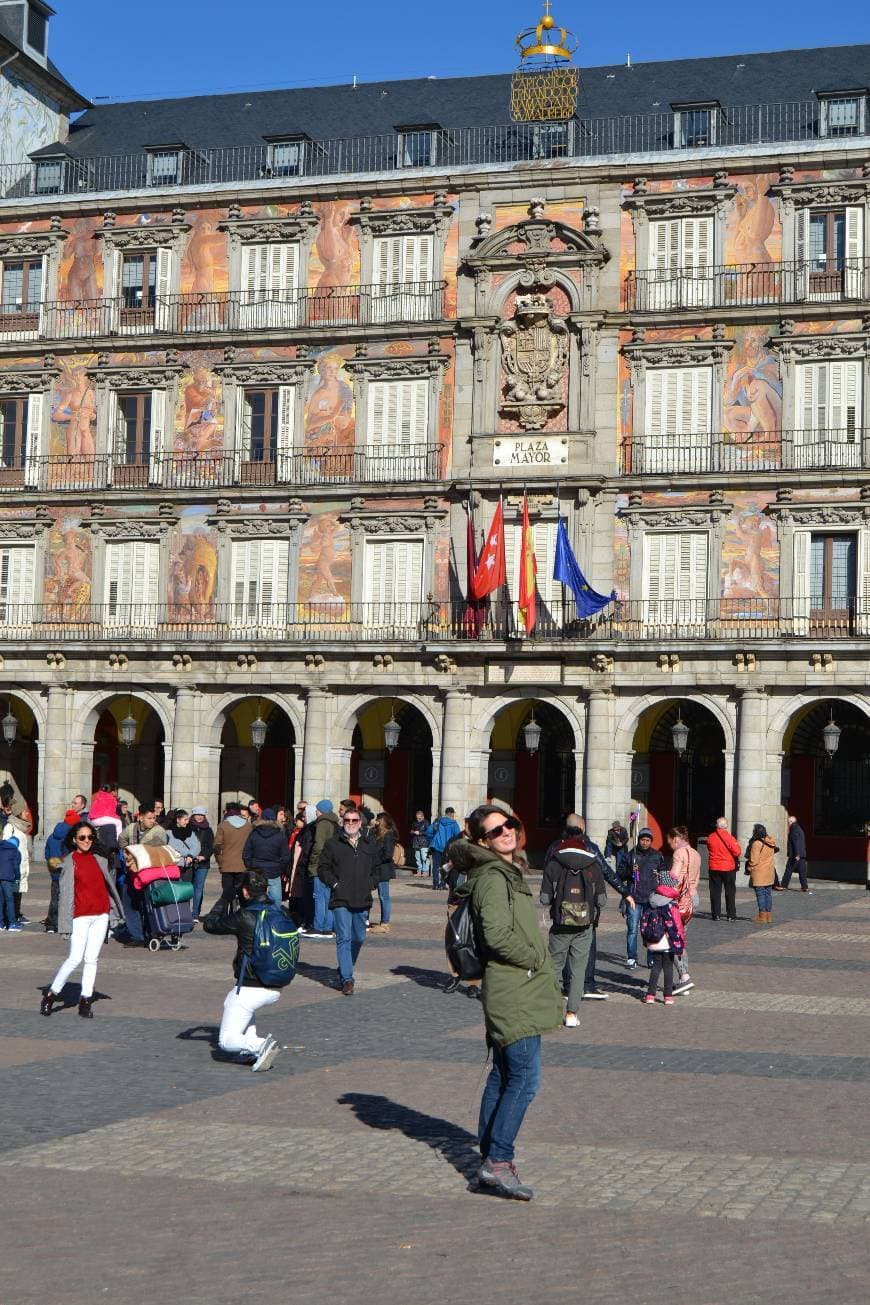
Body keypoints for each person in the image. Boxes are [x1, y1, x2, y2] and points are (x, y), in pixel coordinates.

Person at [449, 806, 561, 1201]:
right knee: (525, 1081)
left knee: (503, 1074)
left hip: (515, 985)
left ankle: (488, 1159)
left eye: (509, 824)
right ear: (482, 842)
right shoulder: (494, 879)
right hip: (515, 988)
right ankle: (499, 1161)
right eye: (496, 831)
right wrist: (534, 958)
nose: (507, 832)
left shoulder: (503, 874)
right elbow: (496, 935)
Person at [40, 821, 124, 1018]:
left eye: (90, 837)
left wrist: (112, 913)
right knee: (75, 958)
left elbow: (109, 888)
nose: (87, 841)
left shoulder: (100, 859)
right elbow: (66, 896)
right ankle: (51, 994)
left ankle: (85, 1000)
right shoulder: (69, 862)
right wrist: (64, 923)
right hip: (80, 916)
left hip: (100, 914)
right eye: (82, 838)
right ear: (74, 840)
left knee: (92, 959)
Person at [202, 870, 284, 1071]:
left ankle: (261, 1045)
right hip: (276, 982)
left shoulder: (245, 915)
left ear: (246, 892)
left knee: (227, 1040)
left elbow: (210, 925)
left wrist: (225, 897)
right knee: (245, 1009)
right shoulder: (280, 911)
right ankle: (251, 1050)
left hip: (250, 985)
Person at [540, 829, 614, 1027]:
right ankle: (571, 1014)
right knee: (578, 970)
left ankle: (553, 1013)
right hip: (584, 925)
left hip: (560, 924)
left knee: (555, 967)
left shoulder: (554, 863)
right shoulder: (593, 864)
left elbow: (544, 898)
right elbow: (602, 900)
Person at [318, 804, 380, 994]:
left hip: (362, 898)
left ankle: (345, 966)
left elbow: (379, 868)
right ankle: (347, 979)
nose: (350, 823)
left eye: (354, 820)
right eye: (347, 820)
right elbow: (323, 868)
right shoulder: (333, 843)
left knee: (359, 937)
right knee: (343, 938)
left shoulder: (369, 844)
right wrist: (335, 884)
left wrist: (371, 883)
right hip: (341, 898)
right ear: (342, 822)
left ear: (360, 823)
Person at [118, 803, 168, 945]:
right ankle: (136, 936)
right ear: (140, 817)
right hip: (132, 873)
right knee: (129, 903)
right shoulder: (131, 828)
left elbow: (155, 847)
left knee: (148, 905)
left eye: (154, 818)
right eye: (150, 818)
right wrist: (126, 852)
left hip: (150, 874)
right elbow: (121, 839)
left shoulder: (159, 831)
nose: (153, 821)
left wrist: (136, 852)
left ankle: (151, 933)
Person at [619, 826, 664, 968]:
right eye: (642, 840)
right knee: (632, 929)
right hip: (634, 897)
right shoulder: (630, 855)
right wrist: (629, 871)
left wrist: (660, 875)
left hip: (651, 898)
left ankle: (651, 957)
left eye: (647, 840)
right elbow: (619, 874)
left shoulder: (657, 856)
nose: (644, 843)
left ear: (651, 841)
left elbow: (664, 875)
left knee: (650, 929)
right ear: (638, 840)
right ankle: (632, 957)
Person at [642, 870, 685, 1006]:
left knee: (656, 967)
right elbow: (677, 925)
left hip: (655, 940)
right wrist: (681, 943)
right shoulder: (671, 903)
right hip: (668, 940)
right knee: (668, 967)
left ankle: (650, 995)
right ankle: (668, 996)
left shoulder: (653, 899)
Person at [667, 826, 700, 995]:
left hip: (680, 900)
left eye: (669, 840)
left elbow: (675, 877)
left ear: (676, 839)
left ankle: (684, 976)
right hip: (693, 898)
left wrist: (660, 878)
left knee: (674, 939)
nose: (669, 844)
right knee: (680, 937)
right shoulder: (695, 853)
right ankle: (682, 978)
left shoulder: (679, 854)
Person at [300, 799, 339, 937]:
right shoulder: (335, 823)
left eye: (317, 809)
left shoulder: (323, 823)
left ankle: (318, 927)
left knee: (319, 897)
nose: (315, 812)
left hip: (321, 865)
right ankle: (328, 927)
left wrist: (313, 861)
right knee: (328, 897)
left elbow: (318, 845)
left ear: (322, 810)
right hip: (332, 865)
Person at [243, 806, 291, 908]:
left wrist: (251, 867)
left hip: (257, 871)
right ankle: (275, 921)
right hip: (273, 872)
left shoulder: (254, 833)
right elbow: (286, 856)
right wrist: (279, 868)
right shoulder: (280, 834)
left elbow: (246, 854)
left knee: (255, 900)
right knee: (276, 901)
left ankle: (256, 921)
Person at [43, 808, 80, 933]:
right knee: (67, 897)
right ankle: (63, 923)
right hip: (67, 869)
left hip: (54, 868)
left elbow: (47, 852)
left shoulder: (51, 836)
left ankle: (51, 924)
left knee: (55, 897)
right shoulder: (71, 837)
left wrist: (51, 863)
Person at [211, 802, 250, 914]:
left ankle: (223, 915)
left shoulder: (223, 825)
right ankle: (243, 915)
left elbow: (217, 846)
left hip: (227, 865)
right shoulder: (248, 826)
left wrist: (220, 862)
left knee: (227, 892)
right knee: (242, 892)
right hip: (242, 865)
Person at [707, 817, 742, 921]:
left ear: (717, 825)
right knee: (730, 891)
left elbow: (709, 848)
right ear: (726, 826)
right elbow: (737, 852)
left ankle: (715, 914)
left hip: (714, 867)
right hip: (728, 868)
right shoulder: (730, 838)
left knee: (715, 892)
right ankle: (731, 915)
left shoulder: (711, 837)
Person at [369, 811, 398, 934]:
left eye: (378, 820)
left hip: (383, 869)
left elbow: (387, 854)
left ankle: (385, 922)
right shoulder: (376, 833)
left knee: (384, 896)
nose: (376, 821)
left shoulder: (389, 835)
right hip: (376, 868)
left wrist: (376, 859)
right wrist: (370, 829)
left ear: (382, 821)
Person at [746, 823, 778, 924]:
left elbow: (754, 860)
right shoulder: (771, 842)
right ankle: (768, 916)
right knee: (768, 894)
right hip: (769, 872)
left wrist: (749, 867)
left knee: (760, 894)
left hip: (759, 873)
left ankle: (762, 916)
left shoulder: (757, 843)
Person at [189, 805, 214, 920]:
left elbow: (210, 846)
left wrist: (204, 856)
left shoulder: (208, 830)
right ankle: (186, 911)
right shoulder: (187, 827)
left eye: (202, 815)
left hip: (203, 863)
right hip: (189, 862)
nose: (200, 817)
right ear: (193, 815)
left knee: (198, 888)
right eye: (198, 815)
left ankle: (195, 913)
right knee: (188, 888)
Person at [429, 807, 461, 891]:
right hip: (448, 848)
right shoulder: (454, 824)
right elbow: (458, 836)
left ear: (446, 813)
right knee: (446, 866)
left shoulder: (437, 821)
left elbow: (429, 832)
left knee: (436, 866)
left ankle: (435, 884)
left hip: (436, 847)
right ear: (451, 814)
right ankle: (442, 884)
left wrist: (433, 840)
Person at [166, 810, 201, 883]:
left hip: (188, 866)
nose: (187, 822)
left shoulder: (190, 831)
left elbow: (197, 845)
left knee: (187, 890)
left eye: (188, 819)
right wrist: (187, 854)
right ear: (178, 820)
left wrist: (190, 855)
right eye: (185, 820)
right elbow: (172, 847)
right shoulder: (168, 832)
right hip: (175, 866)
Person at [779, 816, 810, 893]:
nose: (788, 823)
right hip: (801, 855)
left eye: (789, 822)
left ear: (792, 822)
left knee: (788, 870)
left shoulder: (794, 830)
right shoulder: (799, 829)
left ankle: (783, 885)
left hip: (795, 855)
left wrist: (797, 854)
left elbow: (796, 843)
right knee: (802, 871)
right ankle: (804, 887)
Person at [0, 822, 21, 931]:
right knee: (9, 900)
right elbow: (16, 867)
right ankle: (12, 923)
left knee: (0, 900)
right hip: (8, 878)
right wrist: (17, 878)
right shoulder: (16, 852)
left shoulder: (1, 847)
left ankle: (0, 923)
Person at [409, 810, 433, 877]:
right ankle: (419, 871)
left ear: (423, 816)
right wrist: (413, 832)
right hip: (416, 842)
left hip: (424, 842)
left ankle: (425, 871)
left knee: (424, 857)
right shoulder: (415, 823)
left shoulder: (426, 823)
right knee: (418, 858)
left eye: (419, 818)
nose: (418, 819)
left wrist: (419, 833)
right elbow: (411, 831)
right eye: (417, 818)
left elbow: (428, 832)